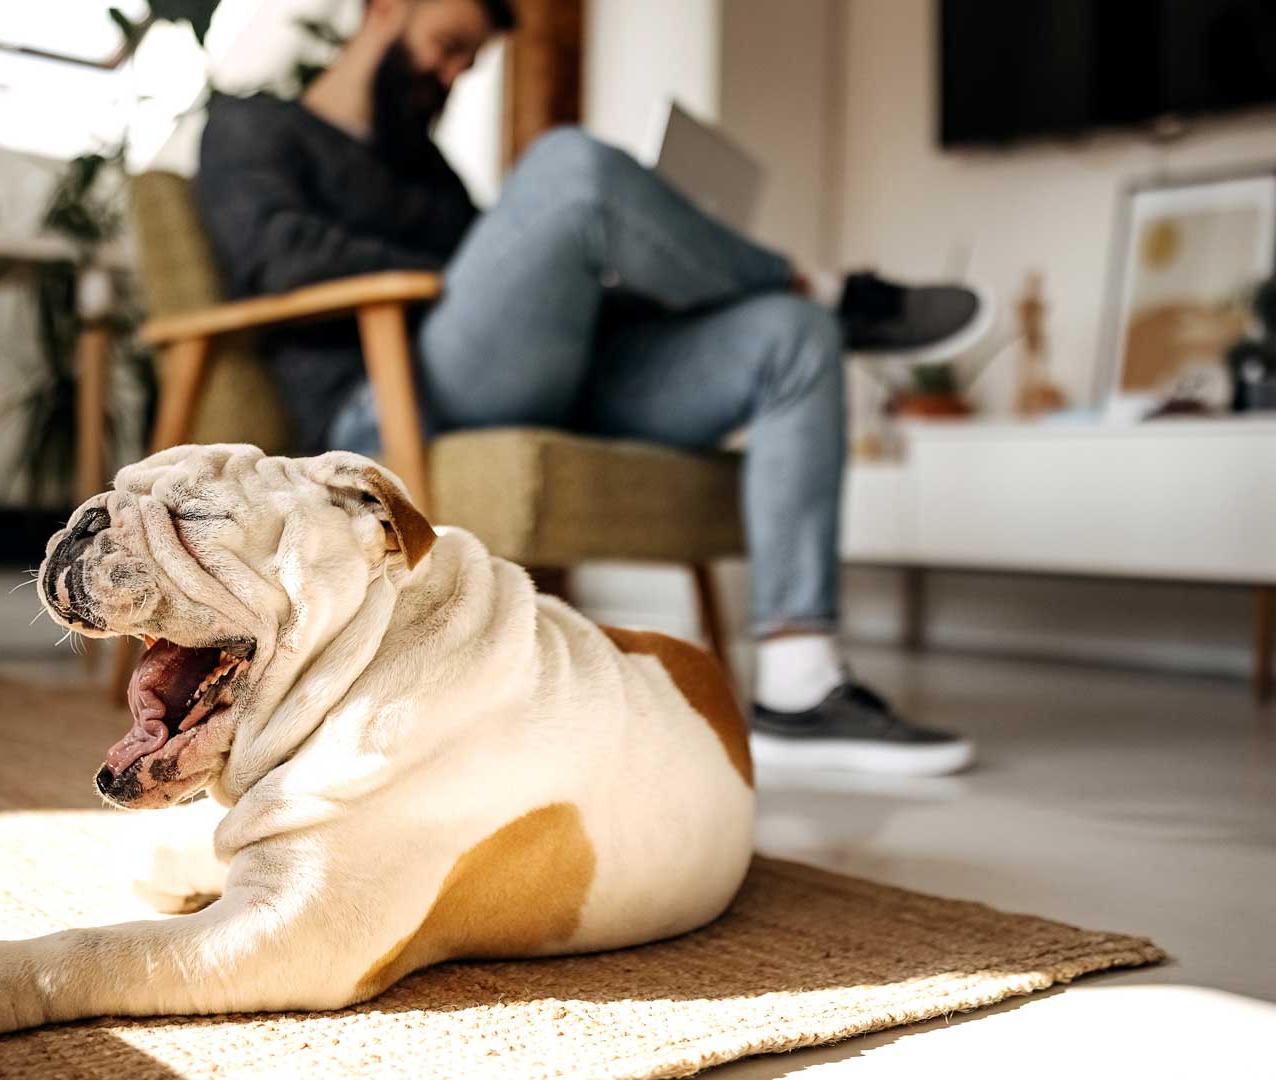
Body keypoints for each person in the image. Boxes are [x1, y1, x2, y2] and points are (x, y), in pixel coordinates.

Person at [196, 0, 995, 776]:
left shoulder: (426, 170)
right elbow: (276, 257)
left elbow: (512, 285)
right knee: (570, 167)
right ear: (384, 8)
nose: (451, 72)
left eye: (468, 60)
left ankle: (801, 685)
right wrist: (469, 277)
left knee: (793, 338)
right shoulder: (254, 126)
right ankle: (817, 284)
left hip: (540, 372)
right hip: (391, 390)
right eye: (448, 44)